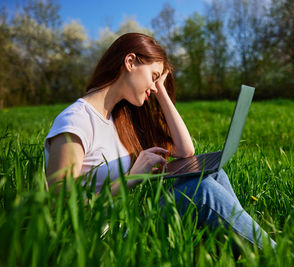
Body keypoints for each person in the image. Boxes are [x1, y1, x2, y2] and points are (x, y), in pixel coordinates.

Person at [44, 32, 276, 249]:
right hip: (106, 242)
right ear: (130, 62)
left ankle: (249, 251)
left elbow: (186, 151)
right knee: (200, 190)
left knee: (213, 174)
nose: (153, 87)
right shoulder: (76, 121)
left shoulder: (120, 119)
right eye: (154, 77)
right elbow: (60, 207)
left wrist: (162, 92)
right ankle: (280, 257)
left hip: (128, 225)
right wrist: (132, 178)